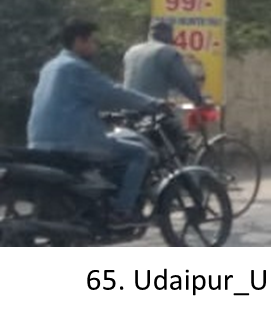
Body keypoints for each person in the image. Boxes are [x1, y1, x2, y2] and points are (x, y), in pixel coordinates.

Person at [27, 18, 170, 226]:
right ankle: (122, 212)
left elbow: (70, 102)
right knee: (139, 154)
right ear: (79, 41)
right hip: (73, 142)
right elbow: (112, 92)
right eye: (93, 42)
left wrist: (102, 113)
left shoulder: (51, 67)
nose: (96, 47)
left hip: (39, 142)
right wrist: (154, 104)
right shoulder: (76, 67)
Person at [123, 20, 206, 106]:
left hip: (127, 108)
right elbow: (185, 82)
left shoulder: (131, 51)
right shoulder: (166, 52)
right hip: (152, 110)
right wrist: (199, 101)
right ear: (166, 34)